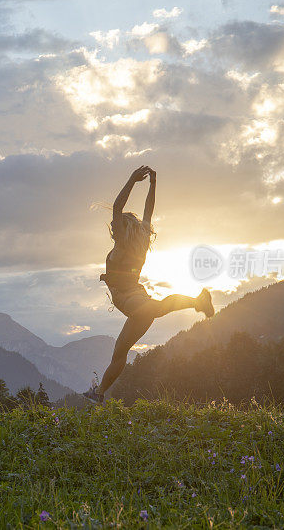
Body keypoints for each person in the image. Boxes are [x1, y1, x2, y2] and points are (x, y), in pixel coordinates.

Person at [83, 165, 215, 403]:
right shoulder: (140, 239)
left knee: (154, 309)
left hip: (129, 298)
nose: (112, 227)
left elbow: (116, 207)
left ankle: (197, 301)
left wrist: (132, 180)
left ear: (123, 228)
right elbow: (148, 212)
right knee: (120, 352)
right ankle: (99, 393)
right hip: (135, 298)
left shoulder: (123, 242)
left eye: (115, 225)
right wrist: (153, 185)